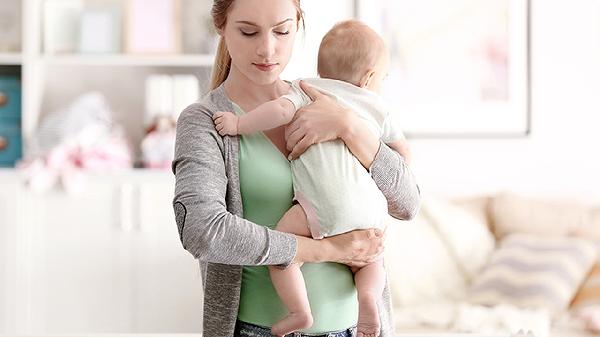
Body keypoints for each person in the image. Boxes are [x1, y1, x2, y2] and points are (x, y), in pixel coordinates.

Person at [171, 1, 420, 337]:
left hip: (354, 329)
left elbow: (407, 204)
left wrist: (350, 127)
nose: (267, 48)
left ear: (299, 25)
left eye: (282, 30)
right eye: (248, 31)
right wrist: (327, 250)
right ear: (221, 27)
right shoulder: (206, 122)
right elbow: (203, 230)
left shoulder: (328, 99)